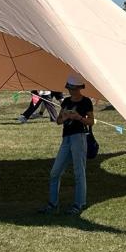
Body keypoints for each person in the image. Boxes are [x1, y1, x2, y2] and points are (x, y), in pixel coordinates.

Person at [39, 75, 94, 215]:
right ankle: (52, 204)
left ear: (78, 88)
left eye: (72, 88)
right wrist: (63, 117)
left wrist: (79, 118)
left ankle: (79, 204)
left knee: (79, 172)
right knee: (55, 172)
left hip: (79, 137)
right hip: (67, 138)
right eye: (69, 88)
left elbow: (91, 122)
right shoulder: (66, 101)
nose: (69, 91)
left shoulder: (86, 101)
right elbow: (58, 121)